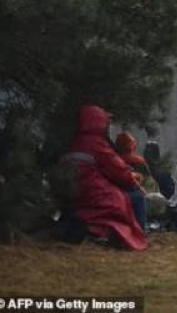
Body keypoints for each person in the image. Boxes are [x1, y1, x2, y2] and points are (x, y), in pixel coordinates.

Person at [64, 104, 148, 250]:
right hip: (98, 194)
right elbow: (119, 172)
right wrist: (133, 178)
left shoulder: (74, 143)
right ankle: (140, 236)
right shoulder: (97, 144)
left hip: (78, 194)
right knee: (137, 197)